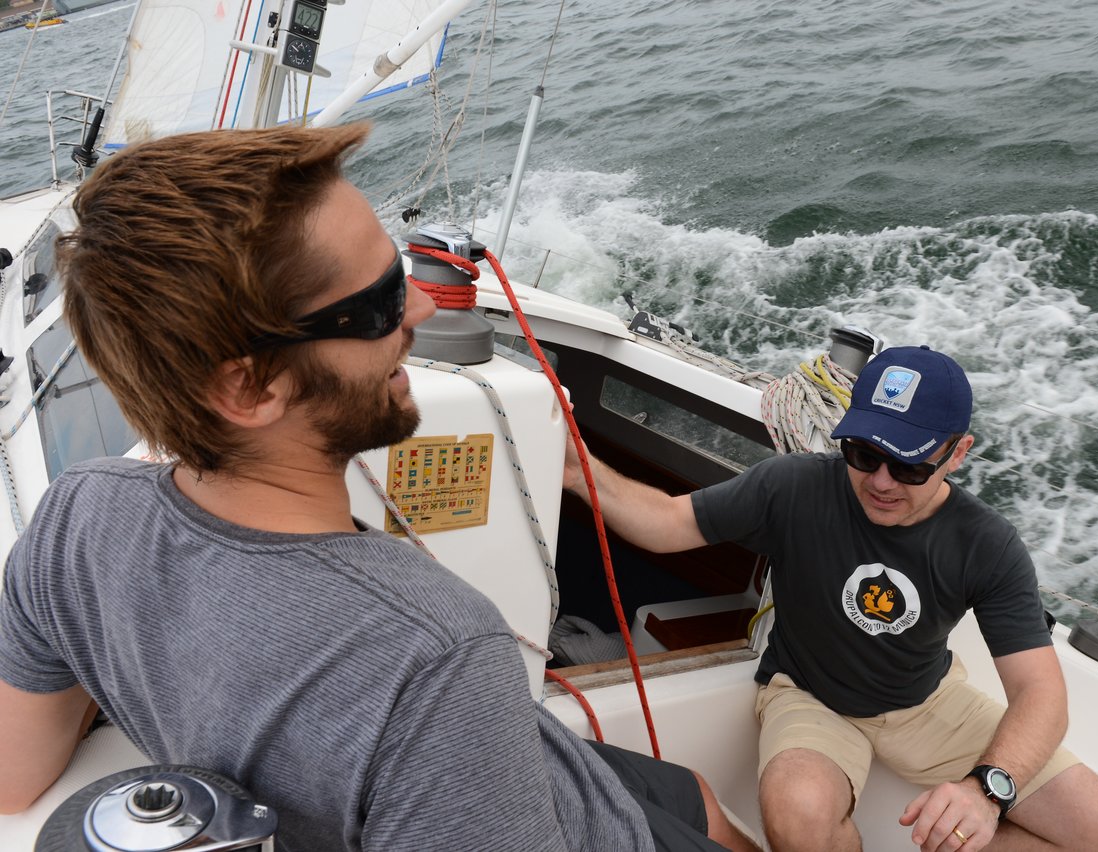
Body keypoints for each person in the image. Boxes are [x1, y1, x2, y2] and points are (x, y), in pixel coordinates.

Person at [0, 123, 758, 852]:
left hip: (531, 764)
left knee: (697, 795)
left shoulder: (75, 518)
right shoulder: (434, 650)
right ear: (250, 388)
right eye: (383, 300)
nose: (423, 310)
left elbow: (13, 777)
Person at [563, 345, 1098, 852]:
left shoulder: (987, 543)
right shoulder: (791, 485)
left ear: (957, 453)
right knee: (797, 816)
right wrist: (574, 467)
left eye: (909, 464)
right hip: (810, 694)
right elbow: (668, 522)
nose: (881, 481)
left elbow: (1040, 692)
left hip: (925, 702)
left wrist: (987, 790)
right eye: (863, 453)